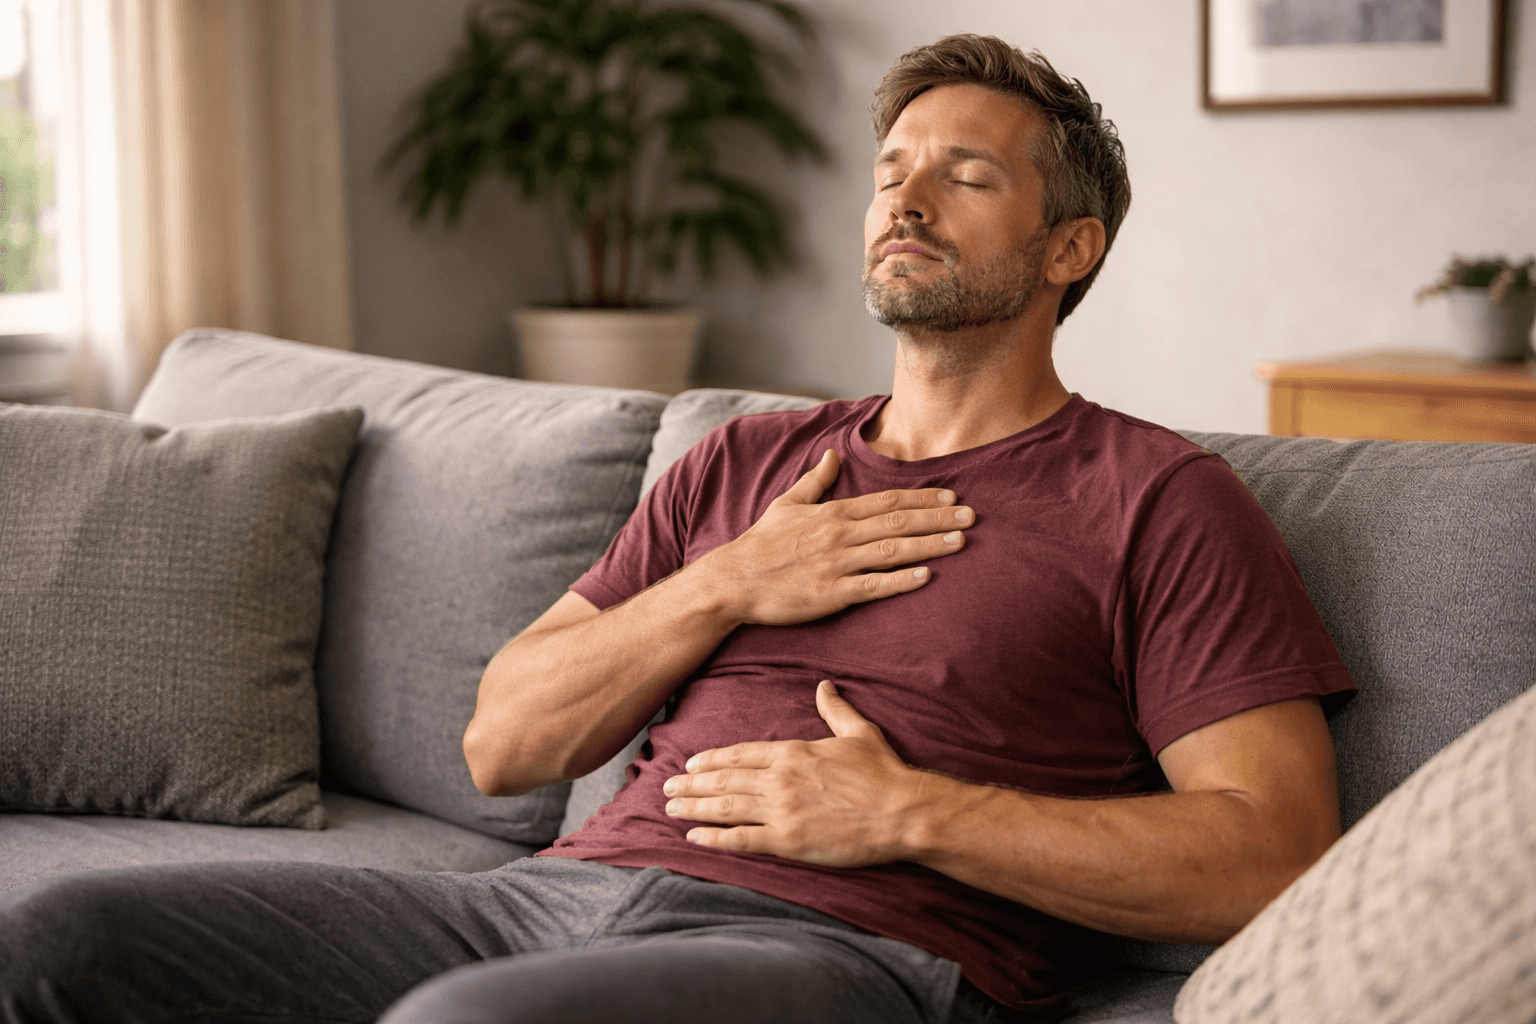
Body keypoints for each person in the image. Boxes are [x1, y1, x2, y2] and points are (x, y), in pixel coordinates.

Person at [0, 34, 1354, 1024]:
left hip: (845, 956)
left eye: (966, 177)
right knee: (54, 941)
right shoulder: (750, 462)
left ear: (1071, 248)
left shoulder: (1156, 498)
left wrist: (911, 813)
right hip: (540, 901)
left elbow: (1271, 855)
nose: (906, 201)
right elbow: (505, 743)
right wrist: (726, 584)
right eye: (891, 171)